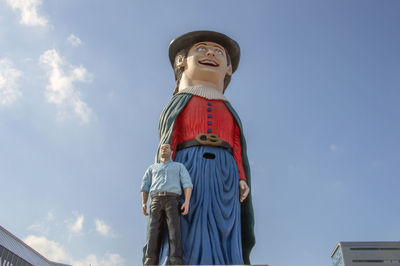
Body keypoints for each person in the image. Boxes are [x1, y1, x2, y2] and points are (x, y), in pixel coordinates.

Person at [154, 31, 255, 265]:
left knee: (225, 223)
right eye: (200, 48)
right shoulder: (179, 102)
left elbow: (236, 144)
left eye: (219, 52)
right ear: (181, 60)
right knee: (184, 219)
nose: (210, 53)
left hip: (224, 171)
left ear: (228, 69)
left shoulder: (229, 109)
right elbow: (169, 139)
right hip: (187, 165)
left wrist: (241, 177)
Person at [141, 143, 193, 265]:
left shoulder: (179, 166)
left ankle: (175, 261)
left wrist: (187, 201)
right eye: (162, 148)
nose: (163, 149)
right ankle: (150, 261)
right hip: (155, 200)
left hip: (172, 199)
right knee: (153, 232)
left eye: (166, 147)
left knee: (174, 230)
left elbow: (187, 184)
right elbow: (145, 186)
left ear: (171, 151)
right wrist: (144, 202)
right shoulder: (152, 168)